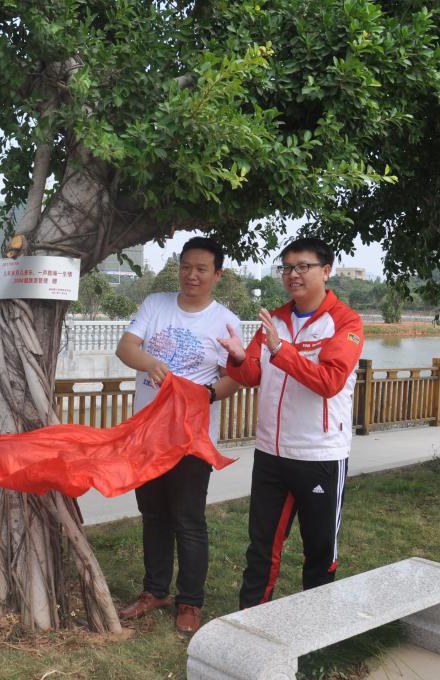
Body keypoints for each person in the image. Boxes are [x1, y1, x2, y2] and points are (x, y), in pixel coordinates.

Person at [218, 237, 364, 609]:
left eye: (303, 267)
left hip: (320, 455)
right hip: (271, 453)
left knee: (319, 550)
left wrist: (280, 349)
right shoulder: (275, 320)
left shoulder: (344, 322)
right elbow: (252, 375)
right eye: (286, 268)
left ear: (325, 271)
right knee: (262, 546)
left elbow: (329, 381)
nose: (293, 275)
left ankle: (315, 627)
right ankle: (249, 621)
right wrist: (238, 357)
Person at [114, 237, 242, 634]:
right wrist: (150, 363)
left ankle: (190, 601)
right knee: (153, 516)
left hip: (191, 440)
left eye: (202, 269)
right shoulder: (156, 304)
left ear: (217, 275)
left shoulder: (226, 321)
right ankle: (155, 590)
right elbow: (126, 347)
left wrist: (204, 395)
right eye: (186, 267)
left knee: (188, 519)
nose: (192, 275)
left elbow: (234, 377)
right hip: (147, 436)